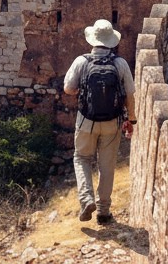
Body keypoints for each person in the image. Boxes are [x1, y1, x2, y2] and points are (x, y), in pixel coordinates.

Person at [63, 18, 137, 225]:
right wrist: (132, 119)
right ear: (111, 41)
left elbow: (68, 88)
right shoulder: (120, 63)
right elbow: (130, 94)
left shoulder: (82, 61)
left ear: (92, 40)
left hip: (86, 120)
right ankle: (103, 211)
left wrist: (80, 91)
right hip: (112, 122)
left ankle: (86, 199)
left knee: (81, 159)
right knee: (107, 166)